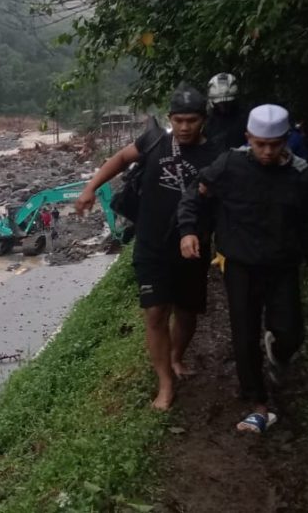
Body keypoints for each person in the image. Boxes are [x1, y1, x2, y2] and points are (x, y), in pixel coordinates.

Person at [178, 104, 308, 434]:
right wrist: (189, 229)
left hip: (282, 266)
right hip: (241, 266)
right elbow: (196, 194)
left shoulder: (298, 175)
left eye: (274, 144)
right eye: (260, 143)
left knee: (291, 332)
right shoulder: (229, 166)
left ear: (286, 140)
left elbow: (306, 223)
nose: (266, 151)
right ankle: (258, 405)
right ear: (249, 138)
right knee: (243, 335)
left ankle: (277, 352)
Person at [75, 83, 221, 410]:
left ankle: (175, 357)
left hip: (193, 246)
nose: (184, 127)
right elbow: (120, 158)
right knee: (156, 311)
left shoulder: (216, 155)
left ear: (203, 121)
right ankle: (165, 382)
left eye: (192, 121)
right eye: (179, 120)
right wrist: (89, 189)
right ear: (170, 118)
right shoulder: (154, 141)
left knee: (186, 312)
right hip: (152, 243)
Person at [205, 73, 249, 152]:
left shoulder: (246, 118)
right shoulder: (206, 121)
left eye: (228, 103)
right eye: (220, 104)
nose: (224, 107)